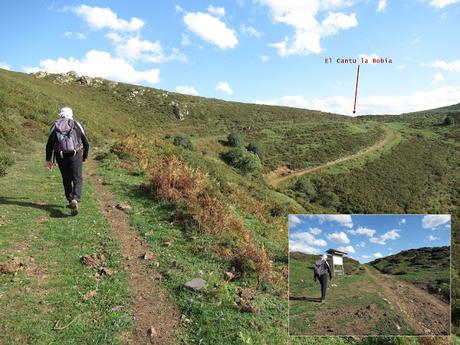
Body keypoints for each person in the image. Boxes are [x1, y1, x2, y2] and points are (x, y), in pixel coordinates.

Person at [46, 107, 89, 215]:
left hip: (60, 155)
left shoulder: (55, 125)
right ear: (71, 114)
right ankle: (76, 199)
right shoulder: (76, 124)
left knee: (66, 178)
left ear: (61, 114)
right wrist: (84, 156)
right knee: (77, 178)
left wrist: (49, 160)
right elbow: (86, 142)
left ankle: (70, 200)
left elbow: (49, 144)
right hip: (76, 154)